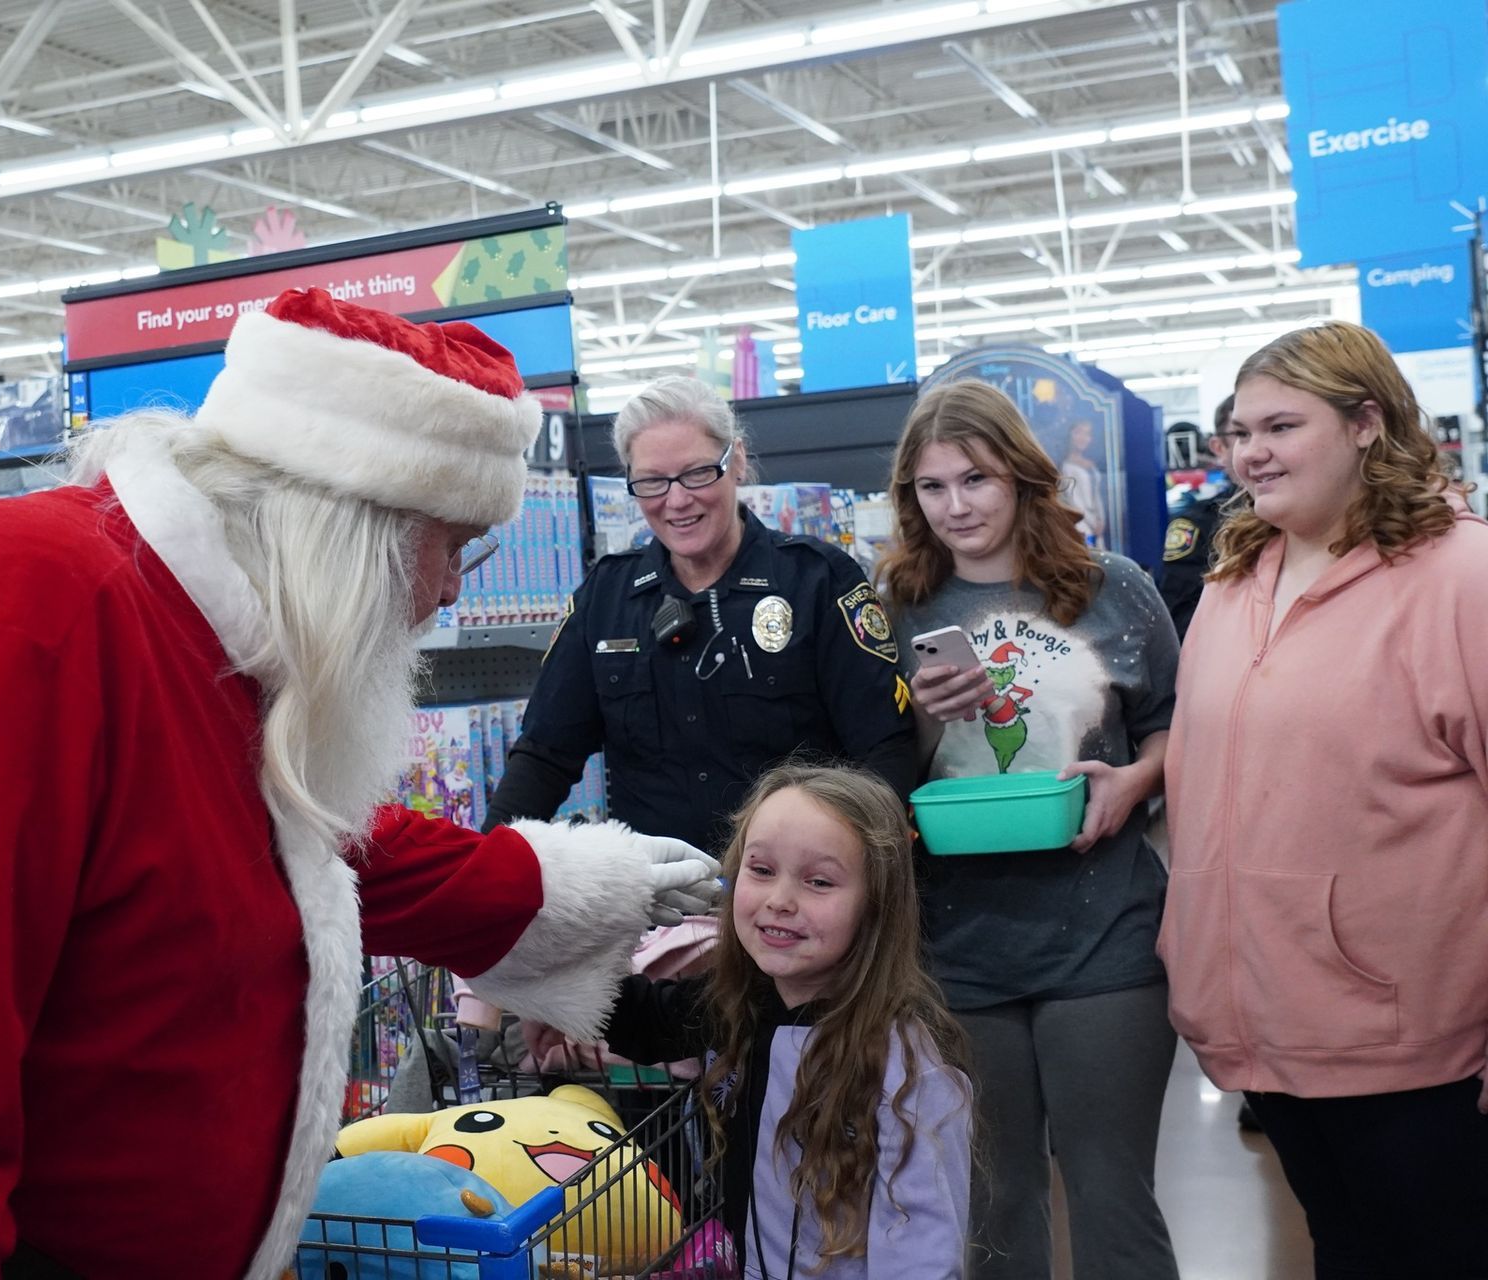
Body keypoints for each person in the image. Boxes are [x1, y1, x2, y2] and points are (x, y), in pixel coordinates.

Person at [0, 288, 720, 1280]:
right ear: (346, 525)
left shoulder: (213, 638)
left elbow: (329, 851)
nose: (449, 599)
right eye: (449, 548)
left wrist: (594, 899)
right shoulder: (18, 615)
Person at [1160, 320, 1488, 1279]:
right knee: (1344, 1251)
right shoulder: (1233, 578)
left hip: (1414, 1044)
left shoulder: (1460, 576)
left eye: (1280, 426)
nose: (1250, 452)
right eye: (1238, 430)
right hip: (1264, 1027)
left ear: (1366, 425)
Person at [883, 380, 1180, 1280]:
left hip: (1106, 932)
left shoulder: (1112, 589)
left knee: (1110, 1191)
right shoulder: (893, 606)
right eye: (932, 488)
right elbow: (878, 773)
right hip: (955, 945)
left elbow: (1175, 722)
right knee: (994, 1203)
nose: (956, 507)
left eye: (975, 479)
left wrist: (1135, 780)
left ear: (1020, 476)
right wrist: (925, 719)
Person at [485, 376, 915, 854]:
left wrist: (860, 870)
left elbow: (886, 752)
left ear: (737, 461)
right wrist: (485, 866)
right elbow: (545, 756)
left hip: (797, 890)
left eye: (696, 473)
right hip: (662, 907)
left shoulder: (819, 581)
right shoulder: (605, 599)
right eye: (651, 481)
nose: (676, 500)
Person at [598, 763, 972, 1278]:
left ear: (875, 905)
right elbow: (628, 1016)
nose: (779, 901)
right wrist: (585, 901)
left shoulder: (906, 1064)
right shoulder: (732, 1007)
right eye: (761, 870)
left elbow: (922, 1252)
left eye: (818, 881)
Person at [1153, 395, 1239, 640]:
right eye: (1242, 434)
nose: (1257, 449)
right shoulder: (1199, 523)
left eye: (1279, 430)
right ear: (1218, 448)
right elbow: (1178, 618)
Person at [1059, 419, 1105, 545]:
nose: (1083, 438)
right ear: (1069, 435)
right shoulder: (1067, 467)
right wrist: (1092, 522)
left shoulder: (1091, 465)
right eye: (1078, 432)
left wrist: (1100, 520)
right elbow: (1074, 501)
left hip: (1096, 525)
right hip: (1081, 525)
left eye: (1087, 434)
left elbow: (1096, 496)